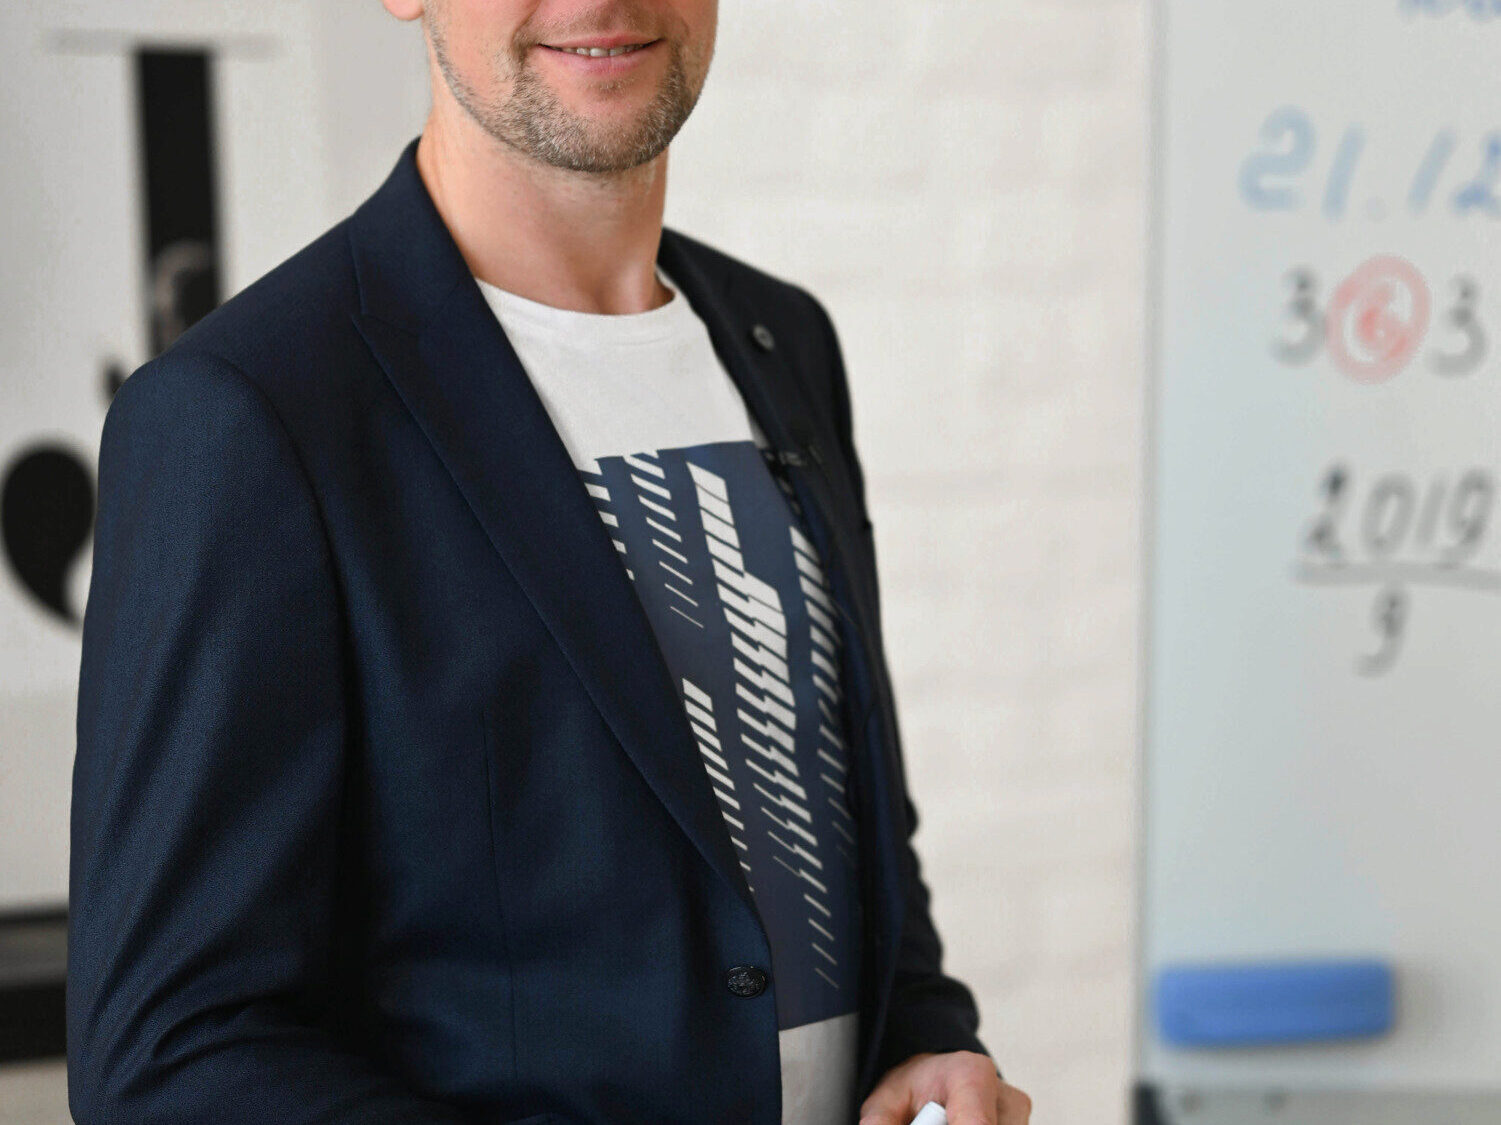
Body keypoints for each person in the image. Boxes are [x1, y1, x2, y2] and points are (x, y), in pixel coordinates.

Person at [67, 2, 1033, 1123]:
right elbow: (167, 1055)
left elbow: (844, 833)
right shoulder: (252, 412)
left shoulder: (785, 340)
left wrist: (922, 1035)